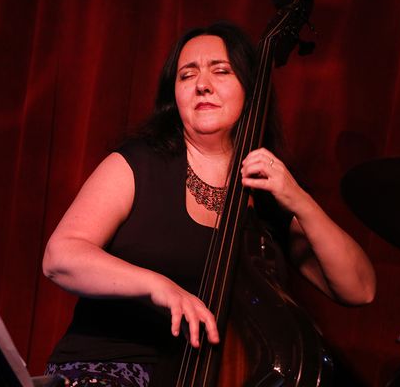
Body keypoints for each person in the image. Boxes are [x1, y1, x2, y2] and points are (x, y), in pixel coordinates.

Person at [42, 21, 376, 387]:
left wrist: (300, 201)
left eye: (221, 71)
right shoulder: (138, 164)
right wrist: (157, 285)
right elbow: (61, 257)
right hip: (110, 369)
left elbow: (359, 289)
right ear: (174, 95)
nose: (202, 84)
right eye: (187, 75)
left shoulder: (269, 193)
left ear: (250, 88)